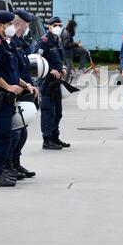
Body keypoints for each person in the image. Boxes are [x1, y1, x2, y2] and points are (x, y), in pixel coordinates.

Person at [0, 11, 38, 187]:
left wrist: (24, 85)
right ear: (1, 26)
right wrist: (8, 87)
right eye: (10, 24)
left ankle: (2, 170)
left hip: (9, 97)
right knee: (0, 135)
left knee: (7, 135)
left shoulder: (7, 44)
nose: (12, 28)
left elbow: (12, 73)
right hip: (1, 97)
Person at [7, 9, 37, 179]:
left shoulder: (20, 43)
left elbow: (24, 68)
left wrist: (31, 85)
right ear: (23, 24)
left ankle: (16, 164)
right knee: (14, 132)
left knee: (22, 131)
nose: (27, 27)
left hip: (24, 90)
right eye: (27, 24)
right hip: (13, 92)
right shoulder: (10, 43)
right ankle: (8, 165)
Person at [35, 16, 70, 150]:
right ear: (49, 27)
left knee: (58, 112)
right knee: (48, 111)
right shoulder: (44, 41)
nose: (58, 27)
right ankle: (47, 139)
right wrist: (50, 71)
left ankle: (55, 137)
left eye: (60, 25)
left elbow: (59, 59)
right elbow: (35, 61)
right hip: (46, 82)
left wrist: (63, 68)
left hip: (57, 82)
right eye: (55, 25)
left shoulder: (57, 40)